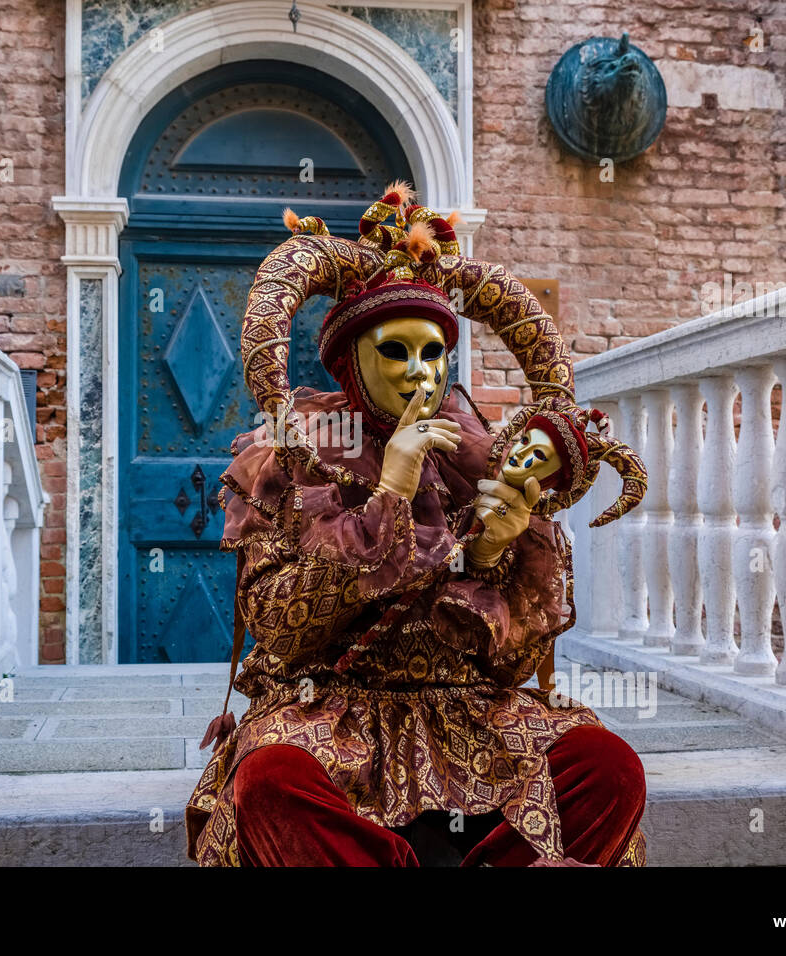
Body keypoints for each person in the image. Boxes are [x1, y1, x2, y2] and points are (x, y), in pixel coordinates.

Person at [185, 183, 649, 866]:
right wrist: (390, 497)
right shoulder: (293, 462)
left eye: (432, 354)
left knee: (607, 767)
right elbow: (281, 628)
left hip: (470, 717)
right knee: (269, 784)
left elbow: (515, 664)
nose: (419, 375)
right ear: (350, 363)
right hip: (330, 712)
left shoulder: (488, 465)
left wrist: (492, 552)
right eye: (395, 353)